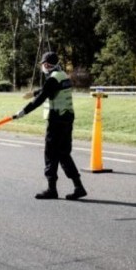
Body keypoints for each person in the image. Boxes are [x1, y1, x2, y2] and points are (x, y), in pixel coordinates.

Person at [13, 52, 88, 200]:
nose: (42, 67)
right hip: (67, 118)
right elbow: (47, 90)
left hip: (56, 121)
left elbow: (41, 98)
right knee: (64, 154)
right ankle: (78, 187)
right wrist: (33, 92)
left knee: (50, 155)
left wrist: (23, 112)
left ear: (47, 64)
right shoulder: (62, 75)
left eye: (42, 64)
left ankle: (51, 189)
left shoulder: (52, 79)